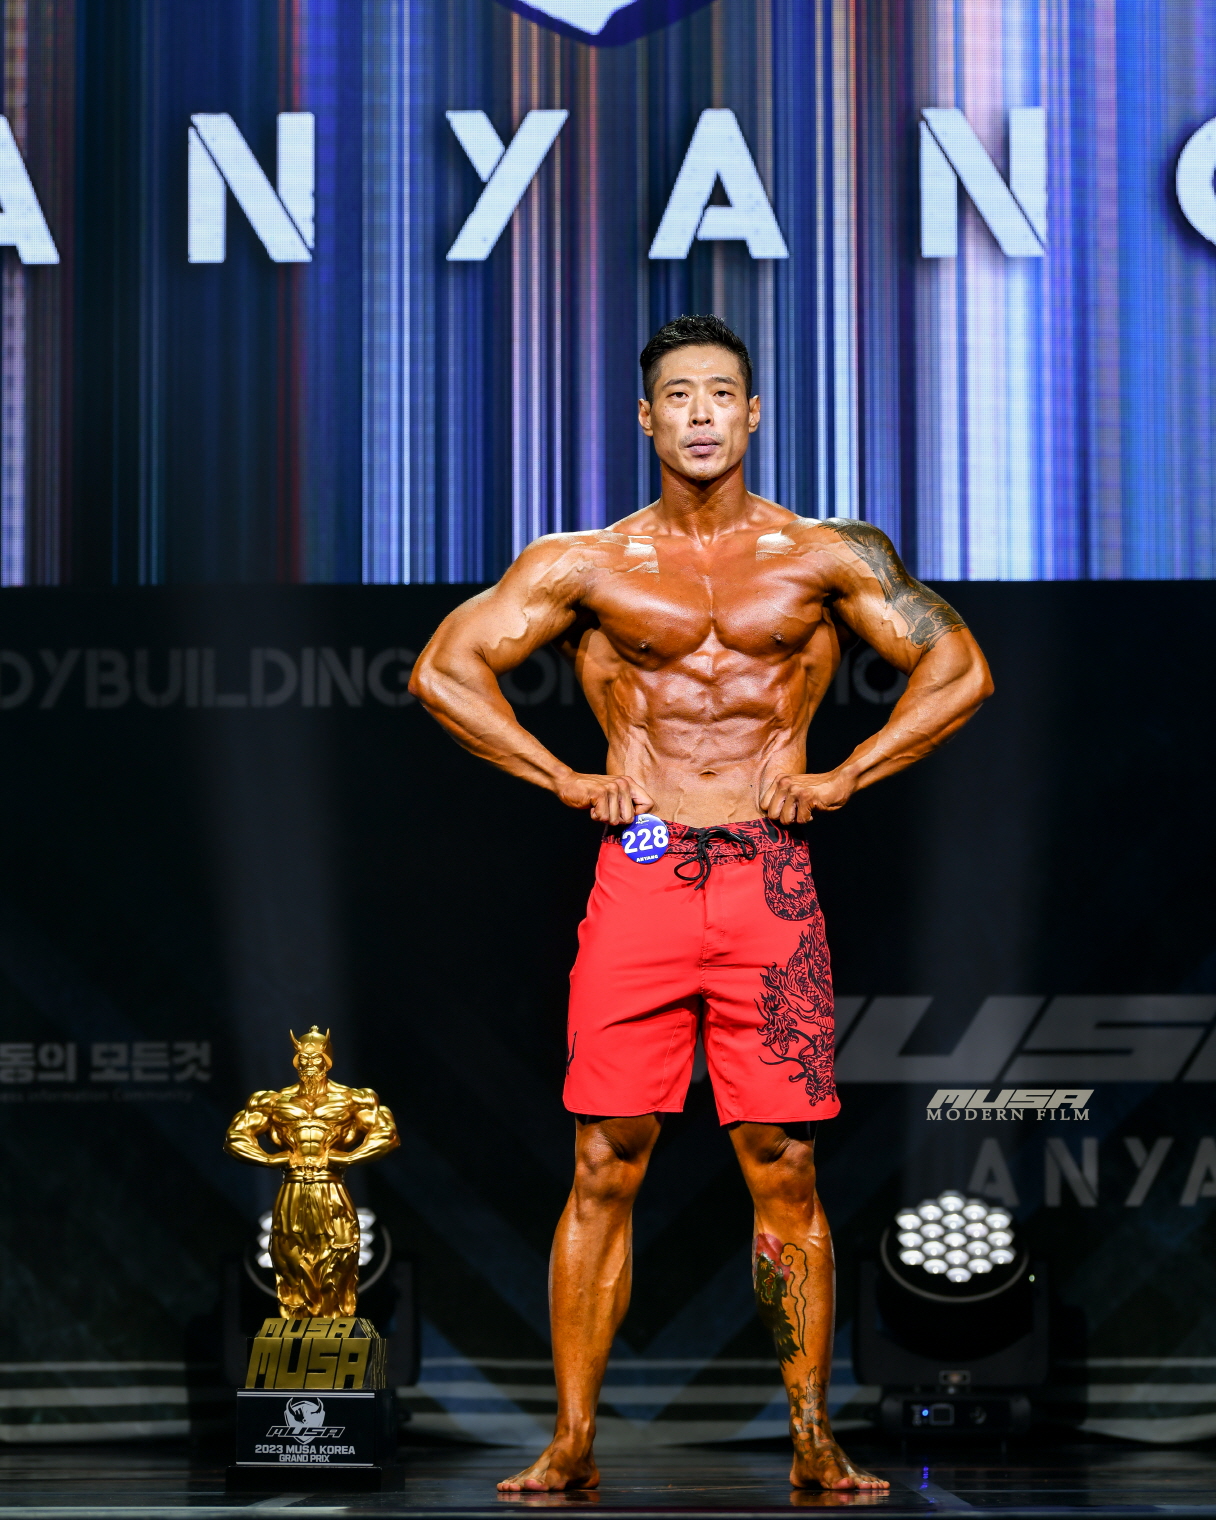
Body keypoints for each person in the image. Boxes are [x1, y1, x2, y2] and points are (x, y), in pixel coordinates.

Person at [410, 314, 992, 1491]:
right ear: (646, 418)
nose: (701, 414)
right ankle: (572, 1437)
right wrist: (561, 775)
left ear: (753, 412)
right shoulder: (583, 563)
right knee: (603, 1157)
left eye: (721, 393)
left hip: (769, 878)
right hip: (641, 868)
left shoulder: (824, 553)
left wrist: (847, 771)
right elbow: (442, 669)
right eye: (677, 395)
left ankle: (811, 1436)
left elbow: (960, 666)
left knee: (783, 1162)